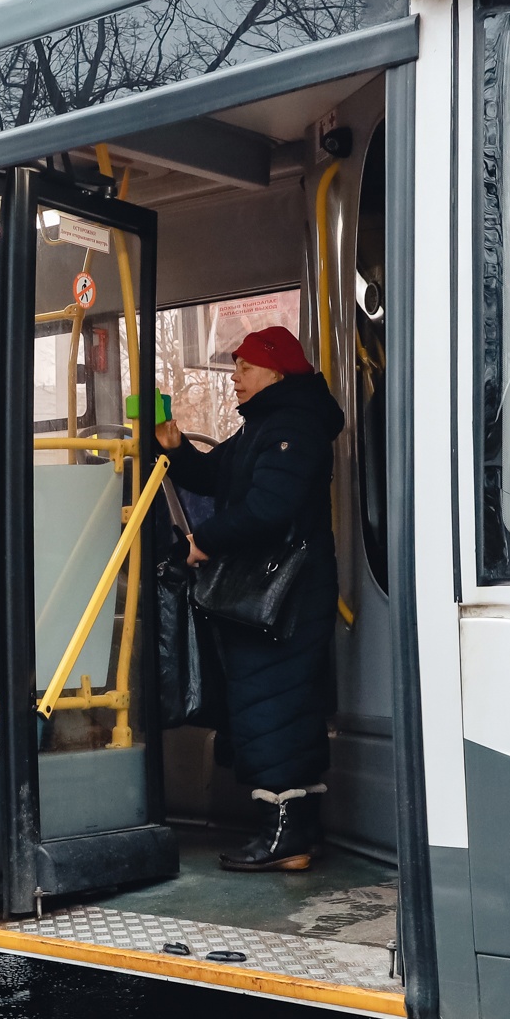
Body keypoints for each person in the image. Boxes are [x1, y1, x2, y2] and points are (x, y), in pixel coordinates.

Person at [155, 324, 344, 870]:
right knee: (283, 705)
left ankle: (283, 833)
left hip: (284, 594)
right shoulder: (269, 424)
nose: (233, 378)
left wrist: (203, 542)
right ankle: (299, 832)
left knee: (272, 704)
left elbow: (267, 507)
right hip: (280, 591)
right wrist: (173, 446)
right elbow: (217, 477)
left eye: (243, 367)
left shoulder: (292, 427)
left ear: (275, 371)